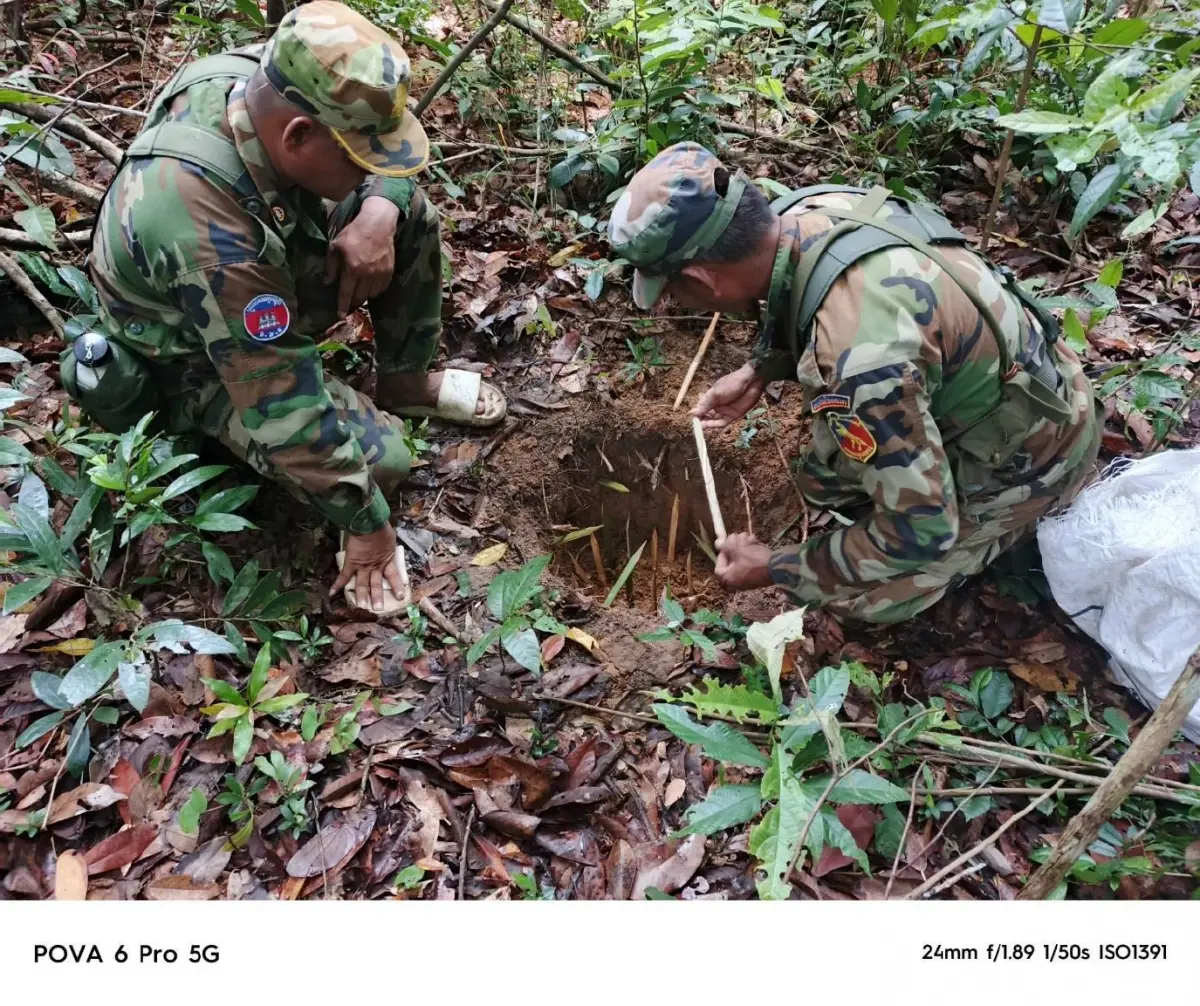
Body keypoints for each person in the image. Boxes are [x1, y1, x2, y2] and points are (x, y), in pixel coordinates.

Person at [69, 1, 506, 613]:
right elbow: (280, 403)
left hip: (254, 267)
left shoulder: (266, 78)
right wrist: (368, 528)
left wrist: (379, 207)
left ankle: (405, 381)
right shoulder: (211, 238)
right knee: (386, 460)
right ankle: (221, 433)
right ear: (298, 137)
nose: (370, 171)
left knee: (405, 214)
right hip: (192, 355)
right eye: (360, 160)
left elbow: (386, 175)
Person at [606, 142, 1102, 624]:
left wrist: (776, 567)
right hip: (1031, 378)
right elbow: (805, 286)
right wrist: (762, 367)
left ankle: (1021, 517)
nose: (677, 302)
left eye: (673, 289)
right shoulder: (814, 206)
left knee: (864, 600)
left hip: (1038, 449)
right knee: (826, 476)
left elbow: (921, 531)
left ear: (702, 277)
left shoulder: (856, 364)